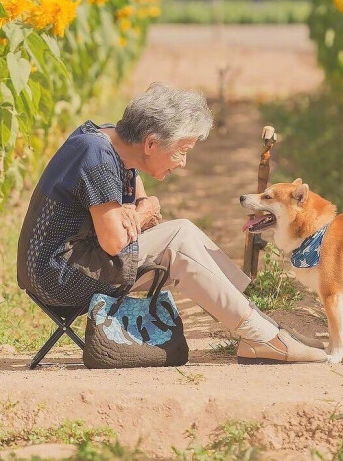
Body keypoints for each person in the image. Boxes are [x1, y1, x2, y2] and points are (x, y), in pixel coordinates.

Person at [17, 83, 327, 364]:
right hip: (59, 275)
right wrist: (142, 212)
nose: (183, 163)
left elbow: (143, 205)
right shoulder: (96, 155)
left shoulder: (115, 144)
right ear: (151, 143)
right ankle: (263, 335)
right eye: (182, 151)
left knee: (183, 231)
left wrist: (138, 212)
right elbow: (117, 240)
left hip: (78, 260)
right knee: (178, 238)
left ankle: (260, 326)